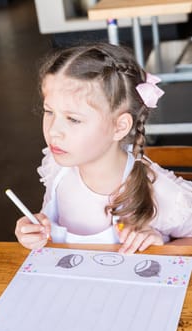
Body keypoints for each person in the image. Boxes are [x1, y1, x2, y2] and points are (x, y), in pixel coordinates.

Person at [15, 43, 192, 253]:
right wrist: (33, 232)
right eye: (49, 112)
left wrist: (162, 245)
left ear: (119, 126)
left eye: (73, 119)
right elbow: (49, 233)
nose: (54, 131)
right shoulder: (57, 167)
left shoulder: (157, 190)